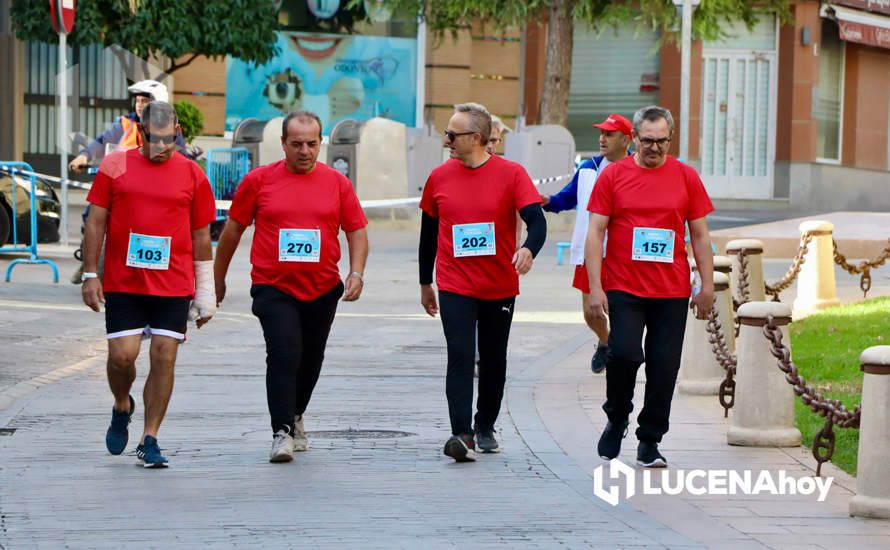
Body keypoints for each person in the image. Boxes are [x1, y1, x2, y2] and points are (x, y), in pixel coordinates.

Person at [213, 110, 369, 464]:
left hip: (322, 288)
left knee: (311, 358)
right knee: (284, 352)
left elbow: (357, 230)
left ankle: (297, 414)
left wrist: (356, 273)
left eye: (311, 144)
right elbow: (232, 232)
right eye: (296, 144)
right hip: (273, 286)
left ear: (320, 143)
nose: (304, 151)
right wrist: (217, 279)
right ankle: (281, 431)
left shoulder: (337, 183)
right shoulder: (259, 181)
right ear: (282, 144)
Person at [81, 101, 217, 468]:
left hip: (172, 284)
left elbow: (201, 234)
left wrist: (206, 292)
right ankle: (122, 403)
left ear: (177, 133)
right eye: (155, 140)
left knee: (164, 355)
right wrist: (91, 274)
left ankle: (149, 437)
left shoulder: (192, 174)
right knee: (121, 357)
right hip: (125, 282)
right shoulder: (115, 165)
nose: (163, 147)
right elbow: (96, 222)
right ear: (141, 133)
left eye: (170, 139)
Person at [585, 105, 714, 468]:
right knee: (623, 353)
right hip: (624, 287)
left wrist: (706, 286)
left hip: (671, 291)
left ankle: (650, 439)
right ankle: (617, 416)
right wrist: (596, 287)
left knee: (663, 367)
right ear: (634, 139)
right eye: (647, 141)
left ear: (670, 140)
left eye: (661, 142)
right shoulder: (612, 176)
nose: (654, 148)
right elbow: (595, 233)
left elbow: (700, 235)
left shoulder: (686, 177)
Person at [419, 102, 546, 462]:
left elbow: (537, 221)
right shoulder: (439, 177)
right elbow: (428, 234)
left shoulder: (512, 174)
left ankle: (485, 424)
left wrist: (528, 249)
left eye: (452, 134)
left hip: (499, 285)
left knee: (493, 359)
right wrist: (425, 281)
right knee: (459, 354)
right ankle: (462, 433)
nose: (446, 139)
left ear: (476, 138)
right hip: (454, 283)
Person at [69, 79, 188, 285]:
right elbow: (100, 142)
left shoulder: (169, 129)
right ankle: (88, 260)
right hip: (120, 184)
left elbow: (181, 156)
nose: (140, 104)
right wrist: (84, 157)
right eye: (137, 100)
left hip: (153, 189)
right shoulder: (125, 123)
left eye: (145, 100)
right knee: (92, 216)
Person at [541, 114, 632, 374]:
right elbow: (568, 197)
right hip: (590, 250)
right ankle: (606, 341)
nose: (602, 139)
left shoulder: (637, 168)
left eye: (609, 134)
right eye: (601, 134)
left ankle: (622, 353)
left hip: (623, 255)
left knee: (622, 311)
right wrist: (549, 201)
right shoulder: (589, 167)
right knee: (591, 312)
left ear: (626, 139)